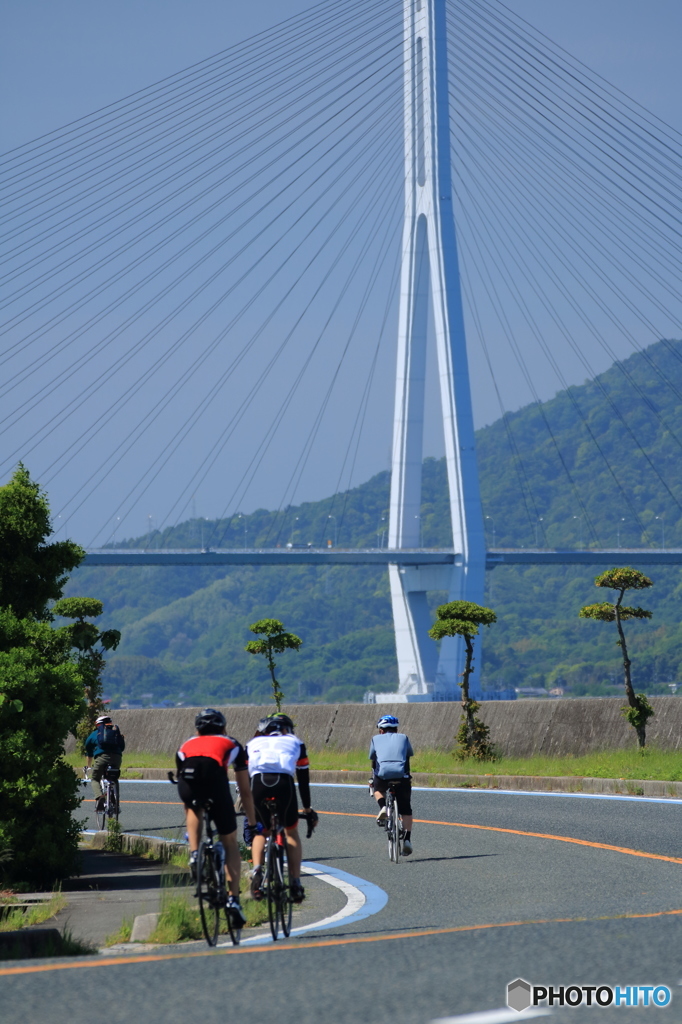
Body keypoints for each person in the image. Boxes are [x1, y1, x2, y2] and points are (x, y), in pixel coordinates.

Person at [176, 708, 258, 929]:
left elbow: (186, 794)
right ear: (223, 727)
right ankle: (233, 900)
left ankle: (194, 854)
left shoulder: (185, 745)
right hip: (215, 782)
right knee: (229, 842)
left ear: (197, 729)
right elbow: (245, 790)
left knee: (193, 809)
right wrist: (251, 823)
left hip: (189, 783)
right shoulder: (231, 744)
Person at [245, 713, 317, 905]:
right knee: (291, 832)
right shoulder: (296, 742)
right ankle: (295, 881)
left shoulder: (253, 743)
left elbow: (244, 775)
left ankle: (258, 871)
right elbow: (303, 779)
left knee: (261, 831)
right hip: (283, 783)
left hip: (257, 784)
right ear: (287, 729)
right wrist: (308, 809)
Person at [369, 714, 414, 856]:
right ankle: (407, 839)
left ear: (381, 729)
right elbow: (409, 755)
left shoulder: (375, 739)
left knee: (377, 789)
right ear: (396, 729)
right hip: (402, 776)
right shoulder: (404, 738)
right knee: (406, 809)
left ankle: (383, 808)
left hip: (383, 775)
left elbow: (373, 757)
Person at [85, 714, 125, 812]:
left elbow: (88, 749)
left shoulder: (95, 734)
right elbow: (122, 748)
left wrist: (88, 766)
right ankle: (116, 803)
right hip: (117, 758)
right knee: (114, 778)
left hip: (101, 758)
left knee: (95, 779)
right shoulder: (116, 733)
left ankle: (100, 797)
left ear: (99, 725)